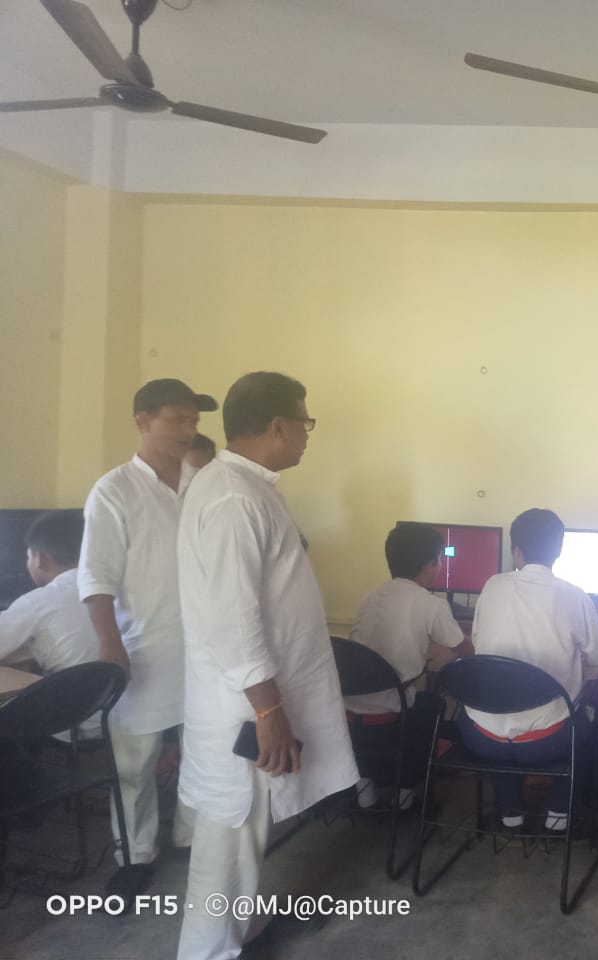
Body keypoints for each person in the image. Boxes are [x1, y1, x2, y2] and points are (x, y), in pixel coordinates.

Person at [176, 371, 358, 960]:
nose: (307, 434)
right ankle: (209, 951)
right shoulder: (234, 497)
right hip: (243, 710)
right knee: (228, 844)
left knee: (244, 838)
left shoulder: (244, 486)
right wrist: (267, 711)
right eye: (305, 423)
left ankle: (237, 932)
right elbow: (234, 618)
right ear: (278, 426)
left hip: (245, 699)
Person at [80, 378, 214, 889]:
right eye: (178, 419)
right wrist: (109, 643)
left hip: (204, 647)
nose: (189, 429)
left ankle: (191, 837)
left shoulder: (204, 483)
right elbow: (97, 577)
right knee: (134, 763)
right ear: (143, 421)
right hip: (144, 648)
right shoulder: (114, 490)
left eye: (194, 420)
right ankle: (135, 856)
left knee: (202, 750)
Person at [459, 508, 598, 832]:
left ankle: (511, 816)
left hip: (483, 738)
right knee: (588, 718)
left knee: (496, 708)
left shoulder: (492, 586)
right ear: (559, 551)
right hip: (548, 742)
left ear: (516, 551)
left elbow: (479, 642)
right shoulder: (575, 596)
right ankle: (558, 819)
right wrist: (578, 671)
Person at [346, 523, 465, 808]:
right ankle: (405, 798)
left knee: (411, 690)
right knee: (432, 703)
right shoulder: (431, 604)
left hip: (350, 716)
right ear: (430, 565)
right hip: (393, 717)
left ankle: (365, 796)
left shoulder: (370, 596)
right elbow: (461, 647)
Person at [0, 511, 101, 737]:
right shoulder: (115, 590)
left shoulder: (38, 601)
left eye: (27, 557)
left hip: (73, 724)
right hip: (119, 719)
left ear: (40, 559)